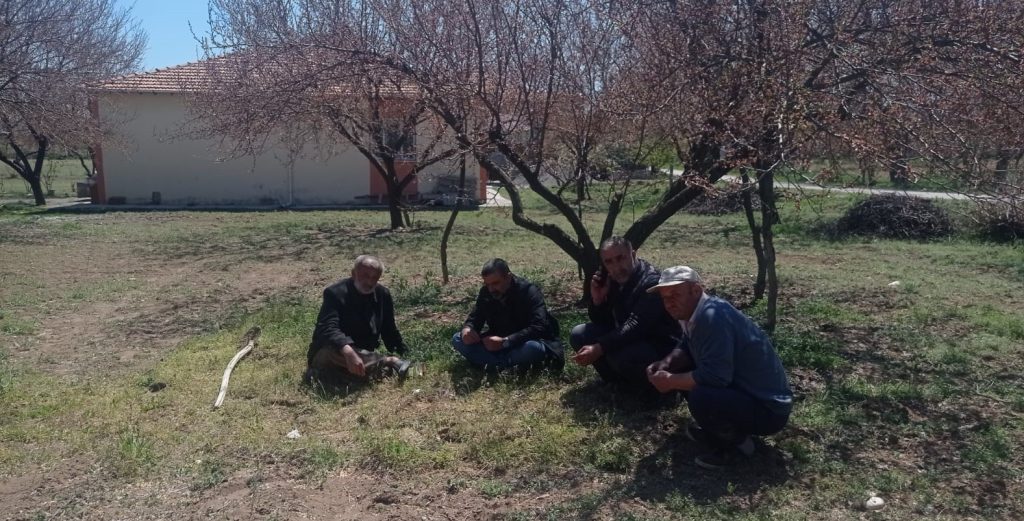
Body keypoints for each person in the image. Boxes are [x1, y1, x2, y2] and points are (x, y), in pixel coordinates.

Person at [646, 266, 793, 470]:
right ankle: (721, 429)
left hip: (768, 409)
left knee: (702, 395)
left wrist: (670, 381)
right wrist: (667, 363)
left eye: (675, 295)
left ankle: (735, 445)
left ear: (696, 290)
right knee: (690, 379)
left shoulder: (712, 318)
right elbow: (688, 344)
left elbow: (716, 377)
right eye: (665, 297)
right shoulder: (693, 312)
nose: (669, 302)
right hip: (748, 394)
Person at [570, 237, 681, 390]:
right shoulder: (613, 280)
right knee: (580, 335)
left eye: (620, 258)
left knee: (620, 353)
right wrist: (598, 301)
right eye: (609, 262)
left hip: (659, 346)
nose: (616, 267)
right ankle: (617, 384)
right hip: (631, 340)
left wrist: (600, 347)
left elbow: (636, 325)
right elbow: (604, 322)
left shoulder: (652, 282)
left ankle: (656, 391)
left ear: (633, 255)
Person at [305, 255, 412, 388]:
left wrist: (404, 351)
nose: (369, 282)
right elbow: (327, 327)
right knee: (332, 352)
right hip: (335, 351)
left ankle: (393, 367)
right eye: (365, 275)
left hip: (363, 356)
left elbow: (389, 330)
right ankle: (390, 362)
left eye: (374, 277)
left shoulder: (382, 294)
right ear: (353, 273)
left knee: (362, 371)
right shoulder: (335, 293)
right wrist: (348, 351)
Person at [452, 258, 563, 372]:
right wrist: (468, 329)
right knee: (457, 338)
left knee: (534, 348)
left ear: (508, 277)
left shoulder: (528, 291)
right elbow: (476, 317)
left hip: (523, 342)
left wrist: (506, 341)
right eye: (487, 284)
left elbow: (540, 326)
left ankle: (490, 364)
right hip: (496, 344)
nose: (491, 289)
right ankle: (506, 365)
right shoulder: (486, 292)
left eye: (495, 283)